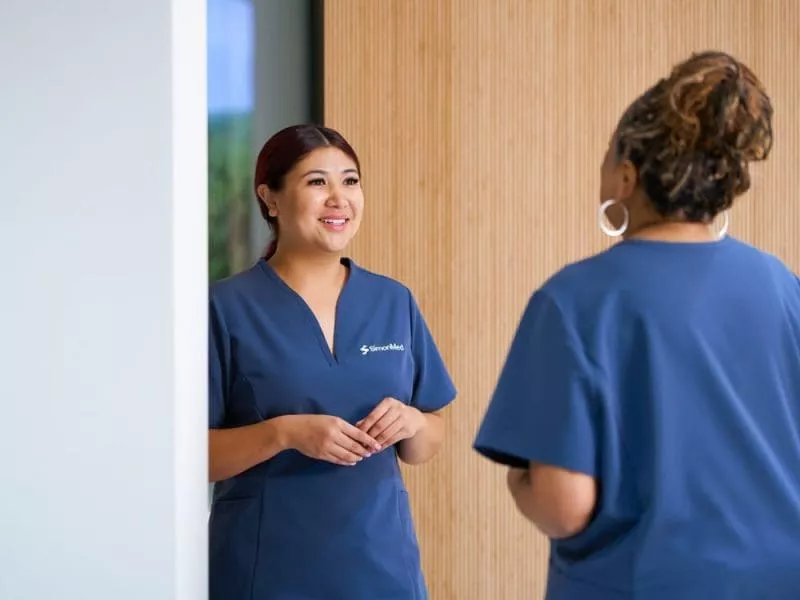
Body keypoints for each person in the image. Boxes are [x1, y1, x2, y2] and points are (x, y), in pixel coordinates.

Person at [473, 51, 800, 599]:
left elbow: (564, 508)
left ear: (626, 176)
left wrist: (520, 481)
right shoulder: (783, 287)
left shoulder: (574, 301)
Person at [208, 124, 457, 599]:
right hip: (265, 570)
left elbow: (427, 442)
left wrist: (411, 422)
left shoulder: (393, 301)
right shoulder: (224, 308)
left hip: (381, 567)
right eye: (317, 182)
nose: (339, 198)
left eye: (351, 180)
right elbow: (190, 458)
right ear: (271, 198)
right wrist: (283, 433)